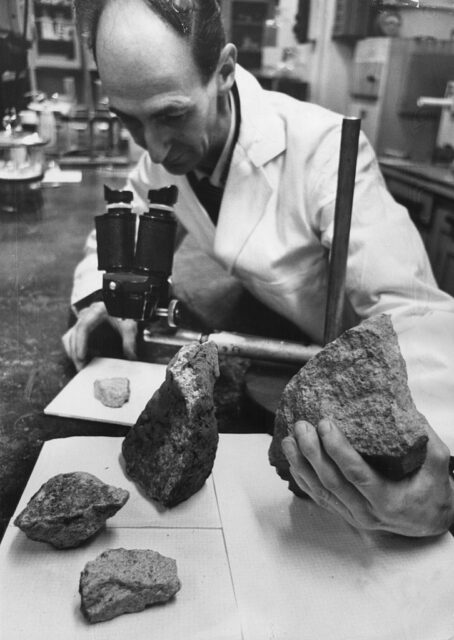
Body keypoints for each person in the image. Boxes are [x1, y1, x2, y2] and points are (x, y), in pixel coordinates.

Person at [65, 0, 454, 537]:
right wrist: (101, 304)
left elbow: (415, 311)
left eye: (171, 115)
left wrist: (436, 462)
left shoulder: (322, 150)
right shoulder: (163, 153)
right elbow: (110, 234)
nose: (153, 145)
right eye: (128, 118)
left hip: (359, 380)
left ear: (224, 71)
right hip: (274, 356)